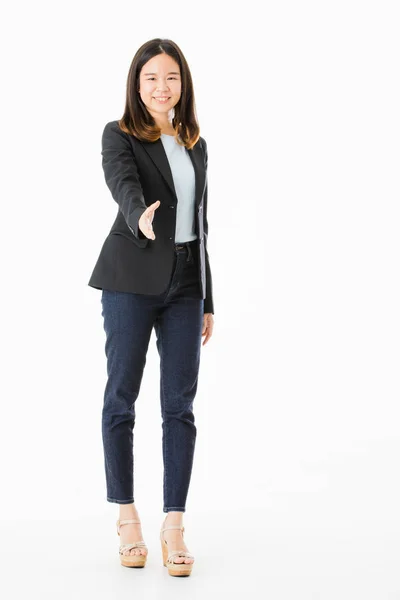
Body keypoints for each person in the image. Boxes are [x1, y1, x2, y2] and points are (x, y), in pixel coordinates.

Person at [87, 38, 214, 577]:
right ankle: (127, 517)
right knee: (122, 396)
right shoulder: (118, 135)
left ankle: (174, 525)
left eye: (171, 78)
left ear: (182, 84)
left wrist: (210, 297)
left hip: (187, 282)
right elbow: (123, 185)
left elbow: (201, 225)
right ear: (136, 86)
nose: (162, 88)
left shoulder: (196, 142)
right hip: (131, 279)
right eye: (151, 79)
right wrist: (139, 214)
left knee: (179, 405)